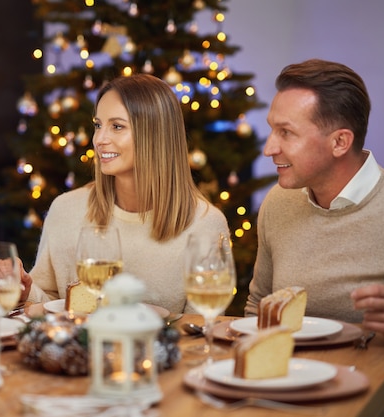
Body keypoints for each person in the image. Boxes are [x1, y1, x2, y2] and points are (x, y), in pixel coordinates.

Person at [19, 74, 229, 313]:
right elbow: (49, 304)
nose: (99, 139)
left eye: (117, 127)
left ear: (154, 134)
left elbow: (199, 332)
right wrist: (25, 291)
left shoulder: (205, 224)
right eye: (98, 125)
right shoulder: (65, 209)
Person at [245, 59, 384, 341]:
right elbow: (258, 307)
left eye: (286, 132)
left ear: (340, 142)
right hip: (285, 380)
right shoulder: (278, 201)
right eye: (273, 130)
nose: (269, 148)